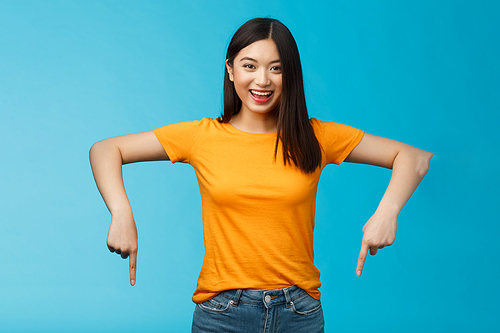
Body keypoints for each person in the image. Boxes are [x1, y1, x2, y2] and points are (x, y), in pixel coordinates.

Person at [89, 18, 433, 333]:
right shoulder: (202, 136)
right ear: (231, 70)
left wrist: (386, 213)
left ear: (290, 75)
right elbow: (105, 150)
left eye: (276, 68)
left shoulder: (315, 137)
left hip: (298, 312)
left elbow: (414, 158)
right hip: (222, 312)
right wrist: (121, 212)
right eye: (249, 66)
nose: (262, 80)